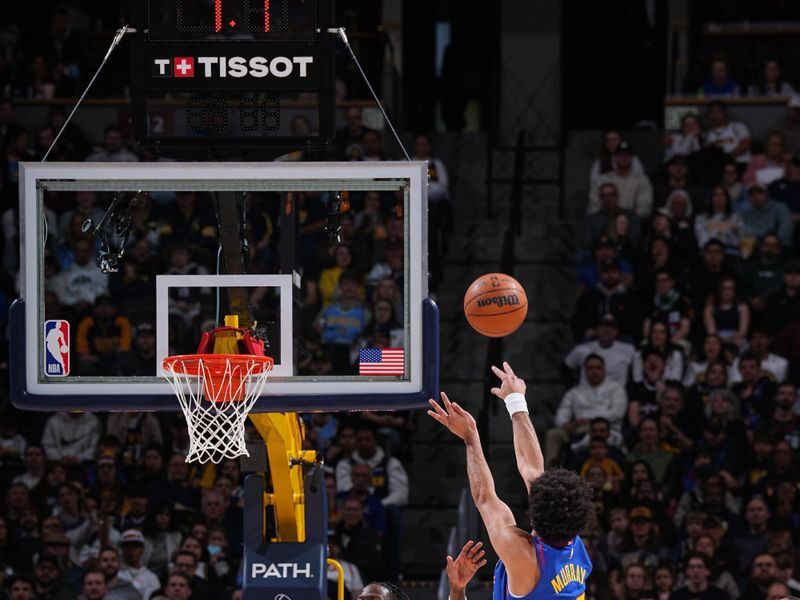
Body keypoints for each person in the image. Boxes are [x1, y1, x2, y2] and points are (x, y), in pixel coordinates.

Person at [428, 362, 595, 600]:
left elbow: (485, 498)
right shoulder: (575, 546)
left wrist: (470, 437)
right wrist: (515, 401)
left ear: (535, 512)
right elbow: (532, 470)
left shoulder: (523, 556)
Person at [564, 314, 636, 386]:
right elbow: (565, 367)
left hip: (616, 395)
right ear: (597, 330)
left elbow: (637, 376)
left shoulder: (628, 349)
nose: (606, 330)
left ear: (616, 331)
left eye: (611, 327)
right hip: (587, 395)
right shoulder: (582, 349)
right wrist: (571, 388)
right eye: (603, 326)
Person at [590, 141, 653, 218]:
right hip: (605, 221)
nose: (623, 158)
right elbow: (594, 207)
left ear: (632, 157)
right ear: (615, 157)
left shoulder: (642, 180)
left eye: (627, 155)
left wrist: (625, 221)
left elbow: (644, 209)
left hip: (632, 223)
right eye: (620, 155)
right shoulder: (603, 180)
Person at [739, 183, 793, 249]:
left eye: (759, 193)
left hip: (780, 248)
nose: (755, 197)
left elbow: (786, 229)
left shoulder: (779, 208)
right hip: (756, 249)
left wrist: (771, 243)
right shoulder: (746, 215)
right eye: (751, 194)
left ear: (767, 194)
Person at [693, 186, 744, 256]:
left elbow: (738, 241)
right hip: (708, 252)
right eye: (716, 195)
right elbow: (702, 240)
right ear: (711, 198)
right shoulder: (701, 219)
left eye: (722, 195)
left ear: (726, 198)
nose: (718, 198)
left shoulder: (736, 218)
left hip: (729, 253)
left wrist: (734, 231)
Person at [704, 101, 751, 166]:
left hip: (740, 163)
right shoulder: (707, 135)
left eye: (718, 112)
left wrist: (727, 157)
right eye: (712, 113)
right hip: (719, 168)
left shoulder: (738, 127)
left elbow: (745, 145)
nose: (715, 116)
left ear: (724, 114)